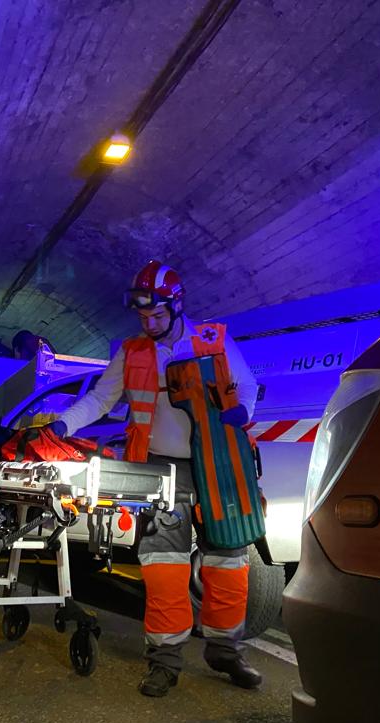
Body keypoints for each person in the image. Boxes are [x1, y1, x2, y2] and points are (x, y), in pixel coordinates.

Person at [50, 260, 262, 696]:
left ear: (177, 306)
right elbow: (101, 399)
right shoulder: (132, 352)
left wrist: (242, 412)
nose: (150, 324)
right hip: (160, 468)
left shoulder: (211, 339)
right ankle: (165, 659)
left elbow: (247, 385)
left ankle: (226, 650)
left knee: (228, 560)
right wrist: (63, 425)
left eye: (158, 315)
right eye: (143, 317)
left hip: (218, 465)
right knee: (163, 565)